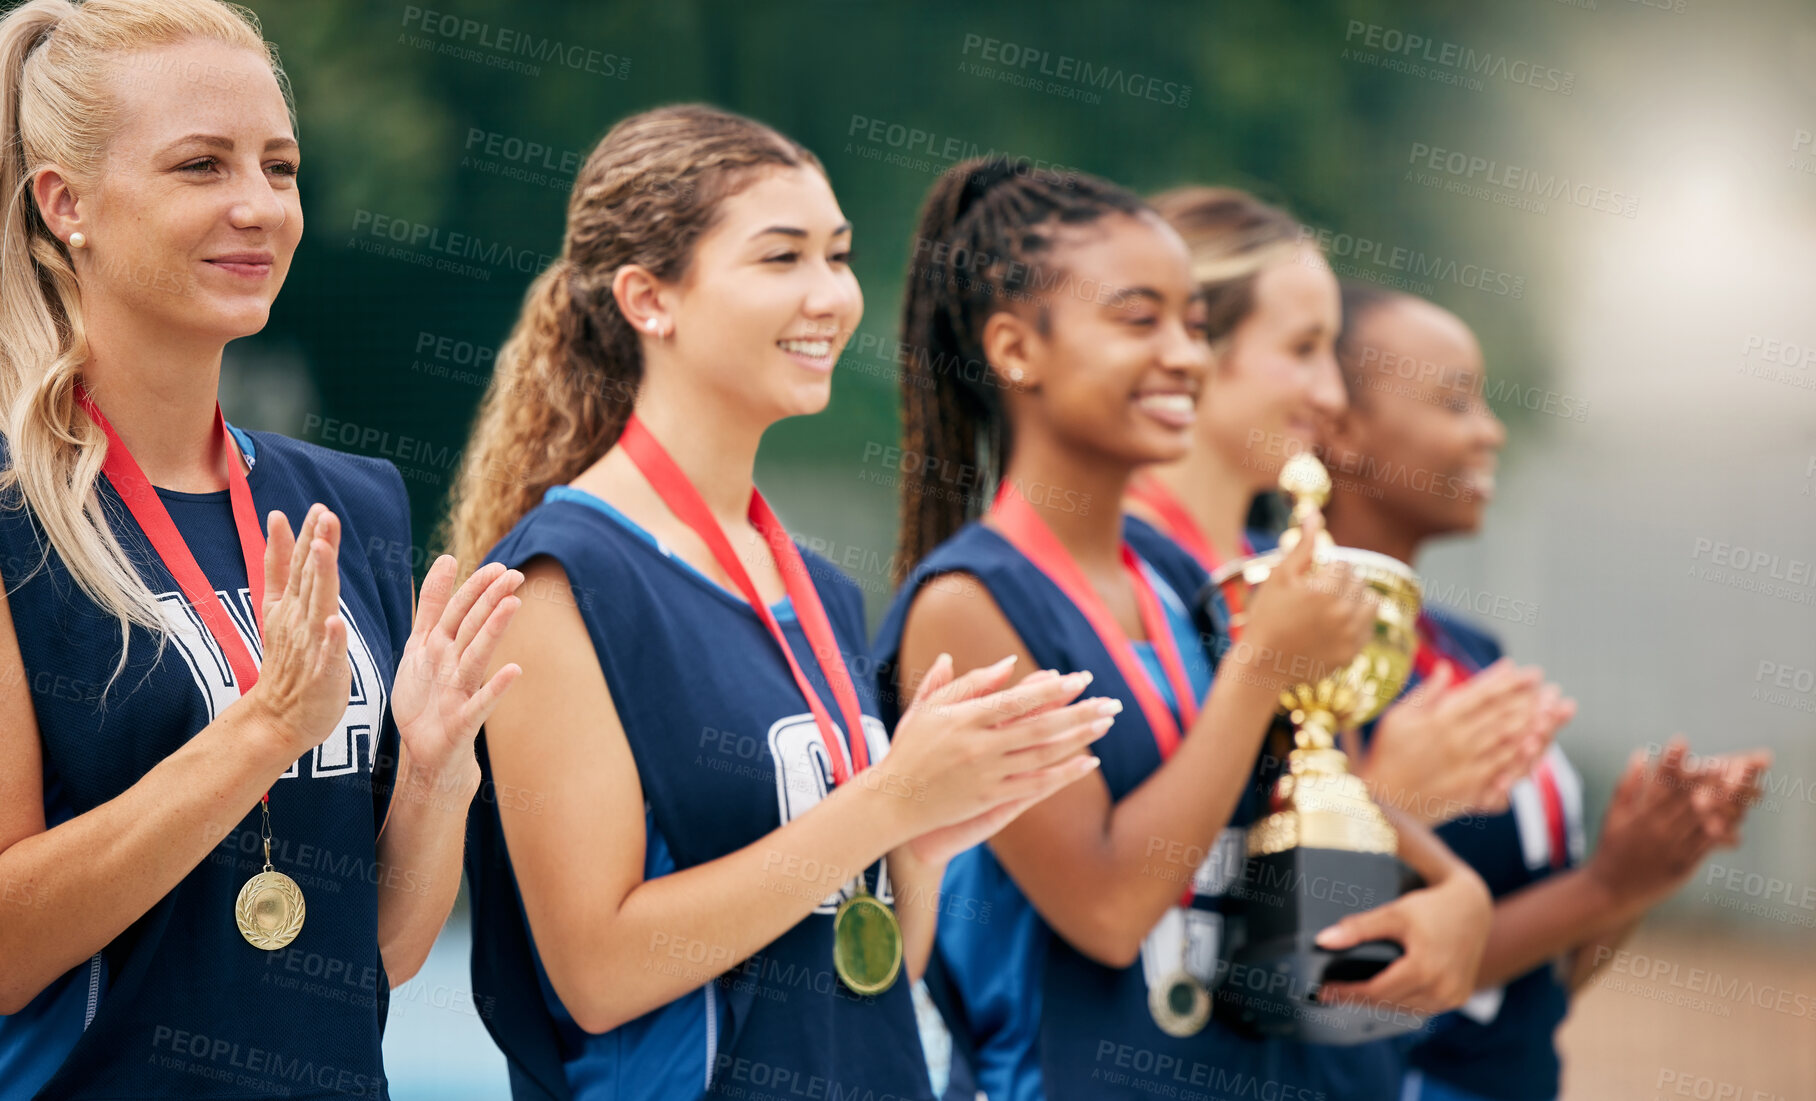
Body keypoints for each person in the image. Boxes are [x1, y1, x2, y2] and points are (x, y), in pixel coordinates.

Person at [445, 105, 1112, 1101]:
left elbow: (872, 962)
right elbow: (597, 973)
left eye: (837, 256)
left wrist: (922, 839)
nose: (829, 296)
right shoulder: (561, 580)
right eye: (780, 258)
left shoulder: (818, 588)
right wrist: (884, 800)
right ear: (647, 299)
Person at [872, 157, 1494, 1101]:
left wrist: (1454, 887)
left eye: (1195, 325)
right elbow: (1110, 908)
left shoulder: (1171, 578)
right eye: (1138, 320)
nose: (1183, 356)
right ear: (1015, 349)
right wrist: (1260, 666)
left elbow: (1273, 794)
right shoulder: (970, 599)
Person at [0, 2, 523, 1098]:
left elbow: (373, 957)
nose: (258, 207)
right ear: (65, 204)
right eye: (201, 165)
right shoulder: (16, 519)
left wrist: (432, 776)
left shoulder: (347, 504)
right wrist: (263, 731)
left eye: (279, 168)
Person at [1320, 282, 1770, 1101]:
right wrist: (1607, 886)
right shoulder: (1294, 648)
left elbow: (1536, 991)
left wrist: (1643, 868)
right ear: (1339, 428)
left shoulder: (1469, 650)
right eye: (1455, 402)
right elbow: (1345, 962)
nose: (1490, 431)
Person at [1124, 186, 1565, 829]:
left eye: (1331, 355)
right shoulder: (1109, 572)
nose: (1332, 396)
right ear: (1196, 342)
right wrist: (1393, 802)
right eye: (1303, 351)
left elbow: (1326, 903)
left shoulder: (1297, 582)